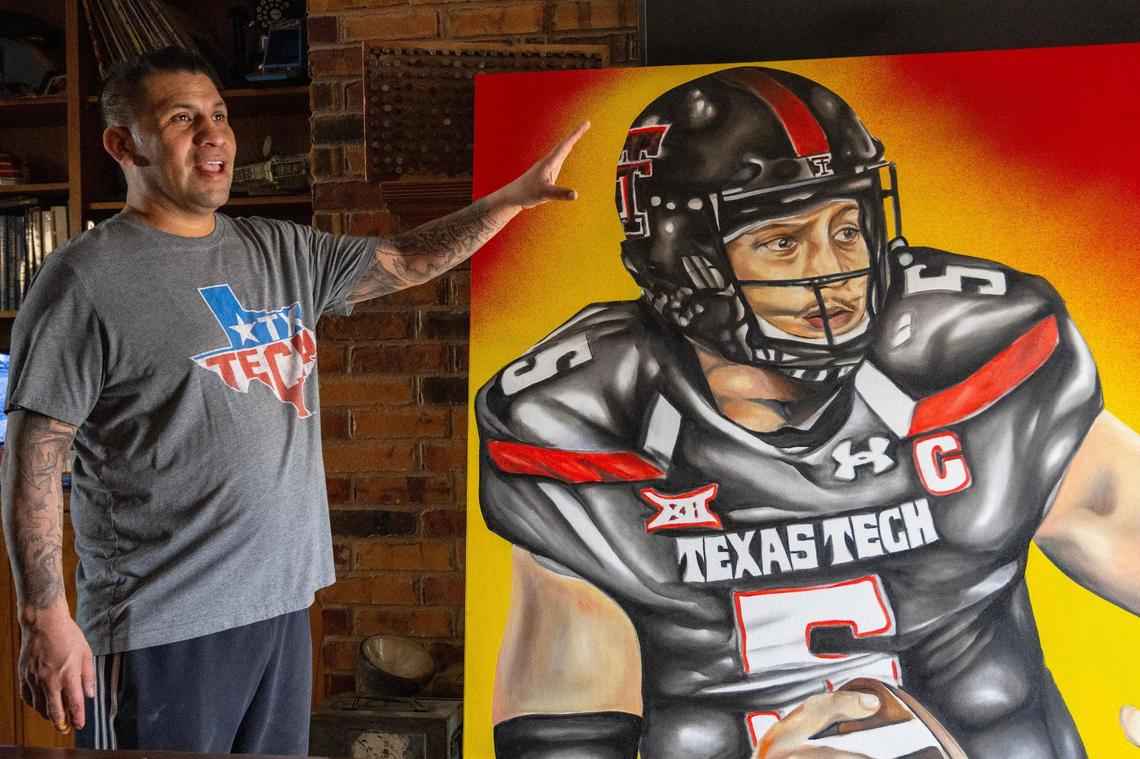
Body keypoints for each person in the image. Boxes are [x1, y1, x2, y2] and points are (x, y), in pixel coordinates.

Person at [475, 66, 1140, 758]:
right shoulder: (588, 421)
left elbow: (1114, 518)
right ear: (685, 262)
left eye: (847, 227)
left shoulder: (973, 352)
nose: (837, 272)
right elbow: (566, 728)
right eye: (783, 242)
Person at [0, 46, 587, 751]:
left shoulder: (282, 251)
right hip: (162, 625)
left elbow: (405, 259)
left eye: (219, 114)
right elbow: (35, 452)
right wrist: (44, 616)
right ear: (124, 144)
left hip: (281, 609)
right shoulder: (84, 281)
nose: (213, 134)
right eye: (183, 118)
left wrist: (507, 202)